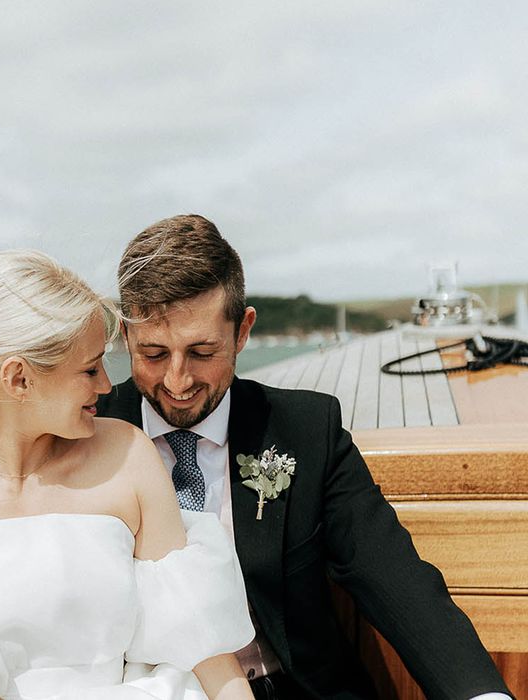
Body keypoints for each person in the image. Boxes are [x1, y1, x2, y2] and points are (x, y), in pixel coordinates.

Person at [96, 215, 513, 700]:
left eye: (202, 351)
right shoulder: (89, 431)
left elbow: (395, 576)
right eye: (152, 353)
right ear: (125, 336)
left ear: (243, 331)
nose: (177, 380)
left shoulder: (307, 429)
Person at [0, 250, 257, 700]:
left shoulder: (127, 453)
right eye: (89, 368)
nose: (105, 385)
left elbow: (205, 648)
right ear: (19, 378)